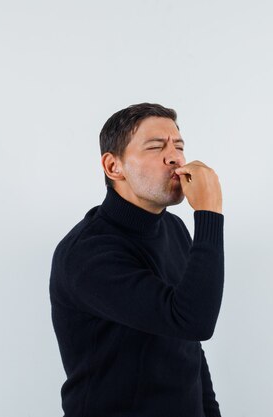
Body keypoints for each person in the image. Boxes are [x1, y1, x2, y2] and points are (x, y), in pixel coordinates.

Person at [49, 102, 225, 417]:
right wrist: (209, 213)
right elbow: (193, 319)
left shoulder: (173, 228)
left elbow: (189, 344)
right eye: (156, 147)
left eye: (179, 146)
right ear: (113, 167)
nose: (175, 157)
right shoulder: (87, 254)